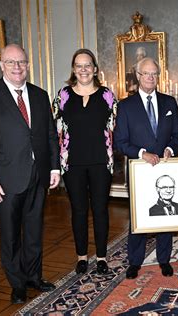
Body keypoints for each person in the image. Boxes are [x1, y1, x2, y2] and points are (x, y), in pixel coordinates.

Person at [0, 44, 60, 304]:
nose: (17, 67)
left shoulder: (40, 95)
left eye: (21, 62)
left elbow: (50, 135)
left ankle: (34, 277)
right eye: (11, 62)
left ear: (28, 65)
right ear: (1, 65)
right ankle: (17, 284)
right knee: (11, 235)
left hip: (38, 175)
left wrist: (54, 167)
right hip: (6, 179)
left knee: (34, 230)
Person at [114, 57, 178, 279]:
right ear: (138, 76)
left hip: (164, 166)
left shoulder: (169, 102)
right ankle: (135, 261)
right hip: (139, 169)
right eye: (146, 74)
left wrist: (170, 150)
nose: (150, 78)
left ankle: (164, 259)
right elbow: (120, 141)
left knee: (165, 214)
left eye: (154, 73)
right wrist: (142, 153)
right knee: (139, 217)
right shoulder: (125, 106)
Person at [52, 48, 117, 276]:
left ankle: (101, 257)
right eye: (79, 66)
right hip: (72, 164)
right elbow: (55, 132)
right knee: (79, 210)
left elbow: (114, 130)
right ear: (73, 69)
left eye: (87, 65)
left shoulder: (108, 96)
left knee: (100, 210)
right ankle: (81, 257)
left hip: (101, 162)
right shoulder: (63, 96)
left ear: (95, 69)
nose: (83, 70)